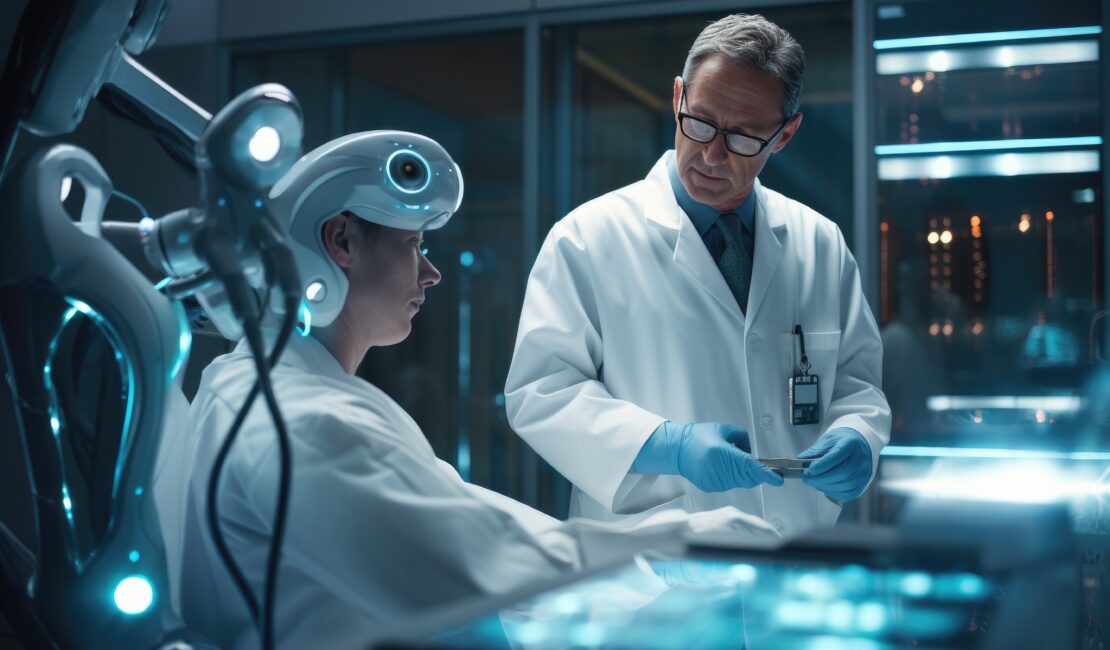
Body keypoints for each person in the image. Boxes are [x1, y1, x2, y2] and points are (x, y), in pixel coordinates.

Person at [158, 131, 776, 650]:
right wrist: (664, 550)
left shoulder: (284, 393)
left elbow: (477, 522)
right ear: (340, 241)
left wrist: (664, 544)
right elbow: (494, 575)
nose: (432, 272)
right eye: (413, 244)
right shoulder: (300, 421)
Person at [505, 14, 891, 538]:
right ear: (677, 96)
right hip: (651, 577)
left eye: (743, 137)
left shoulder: (819, 242)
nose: (711, 154)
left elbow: (856, 384)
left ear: (785, 135)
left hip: (796, 562)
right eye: (701, 122)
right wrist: (669, 445)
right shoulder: (587, 239)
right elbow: (541, 393)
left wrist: (858, 436)